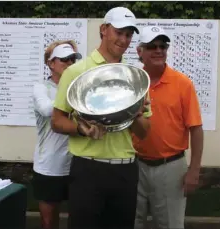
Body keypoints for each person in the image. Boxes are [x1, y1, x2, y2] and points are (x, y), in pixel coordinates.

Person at [51, 7, 152, 229]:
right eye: (119, 32)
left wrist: (135, 115)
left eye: (128, 34)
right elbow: (56, 121)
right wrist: (80, 129)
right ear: (104, 29)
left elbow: (145, 132)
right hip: (89, 169)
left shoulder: (135, 78)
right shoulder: (76, 71)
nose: (124, 39)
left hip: (125, 169)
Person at [133, 26, 204, 229]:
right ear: (140, 51)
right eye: (152, 46)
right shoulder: (133, 81)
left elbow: (196, 128)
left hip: (170, 168)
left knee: (170, 225)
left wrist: (194, 170)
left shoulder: (183, 84)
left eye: (162, 46)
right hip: (134, 165)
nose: (158, 51)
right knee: (130, 222)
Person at [32, 40, 82, 229]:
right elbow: (46, 109)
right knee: (48, 222)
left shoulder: (78, 87)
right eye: (64, 60)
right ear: (51, 63)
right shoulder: (41, 88)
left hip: (76, 164)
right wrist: (76, 100)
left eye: (72, 60)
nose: (69, 64)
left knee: (78, 219)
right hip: (49, 166)